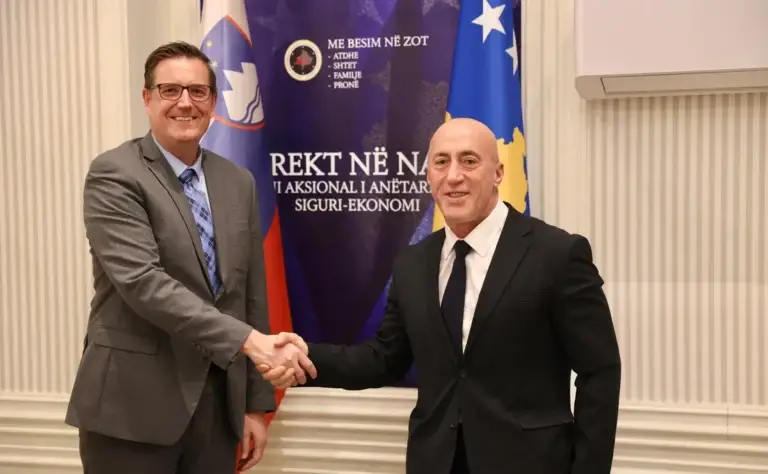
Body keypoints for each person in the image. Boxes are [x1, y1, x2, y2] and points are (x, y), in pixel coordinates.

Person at [260, 117, 622, 474]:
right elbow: (384, 359)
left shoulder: (557, 254)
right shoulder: (413, 263)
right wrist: (305, 358)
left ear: (498, 173)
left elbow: (600, 371)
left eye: (469, 161)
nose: (453, 176)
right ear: (428, 176)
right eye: (441, 162)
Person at [65, 41, 315, 474]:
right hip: (131, 409)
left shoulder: (238, 181)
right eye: (170, 90)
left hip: (217, 412)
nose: (185, 103)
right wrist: (250, 342)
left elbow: (250, 295)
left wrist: (256, 406)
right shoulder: (115, 173)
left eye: (198, 91)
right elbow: (144, 284)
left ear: (213, 102)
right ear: (147, 98)